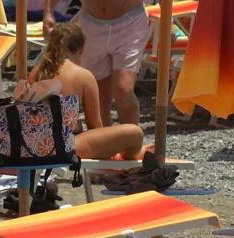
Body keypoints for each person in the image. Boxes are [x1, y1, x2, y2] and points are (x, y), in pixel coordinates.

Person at [23, 23, 144, 160]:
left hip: (29, 142)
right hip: (61, 146)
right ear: (81, 49)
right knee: (135, 133)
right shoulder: (83, 75)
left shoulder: (36, 72)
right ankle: (130, 155)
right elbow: (95, 126)